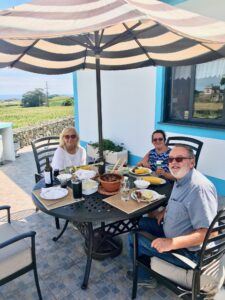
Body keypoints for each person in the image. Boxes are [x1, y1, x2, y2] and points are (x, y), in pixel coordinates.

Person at [128, 144, 218, 288]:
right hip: (170, 231)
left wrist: (171, 243)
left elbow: (210, 233)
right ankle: (146, 260)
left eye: (179, 158)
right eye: (170, 159)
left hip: (189, 253)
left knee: (134, 236)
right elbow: (180, 202)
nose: (173, 163)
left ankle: (144, 278)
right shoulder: (181, 178)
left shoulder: (198, 189)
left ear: (192, 162)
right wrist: (165, 212)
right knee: (142, 223)